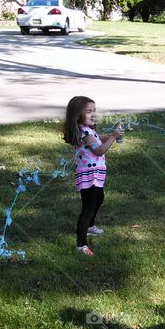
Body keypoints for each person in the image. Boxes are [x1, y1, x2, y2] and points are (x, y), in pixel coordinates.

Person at [63, 96, 124, 257]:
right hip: (88, 175)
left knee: (99, 198)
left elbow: (97, 142)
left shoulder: (88, 130)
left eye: (94, 110)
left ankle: (90, 227)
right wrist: (113, 137)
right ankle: (81, 244)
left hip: (95, 173)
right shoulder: (83, 131)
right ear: (78, 115)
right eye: (89, 111)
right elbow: (99, 150)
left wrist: (110, 136)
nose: (93, 114)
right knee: (88, 208)